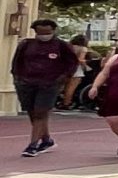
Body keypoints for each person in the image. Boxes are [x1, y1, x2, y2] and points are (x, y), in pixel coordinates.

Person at [12, 19, 79, 156]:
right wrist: (18, 78)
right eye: (40, 32)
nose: (44, 35)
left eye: (47, 32)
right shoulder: (26, 45)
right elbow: (16, 63)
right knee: (32, 112)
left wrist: (62, 79)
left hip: (49, 84)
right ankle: (46, 139)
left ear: (53, 31)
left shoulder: (61, 46)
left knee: (40, 112)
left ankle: (32, 145)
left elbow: (72, 64)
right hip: (26, 83)